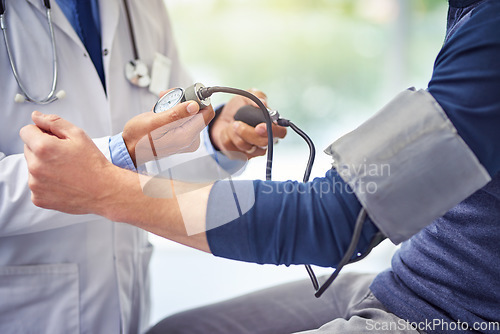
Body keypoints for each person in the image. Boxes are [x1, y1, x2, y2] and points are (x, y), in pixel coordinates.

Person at [20, 0, 500, 333]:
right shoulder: (470, 17)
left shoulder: (489, 35)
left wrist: (108, 189)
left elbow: (337, 219)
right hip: (411, 281)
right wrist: (213, 137)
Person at [0, 0, 285, 333]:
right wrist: (122, 154)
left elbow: (168, 140)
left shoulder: (143, 7)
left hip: (127, 300)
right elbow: (137, 151)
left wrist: (217, 139)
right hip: (28, 310)